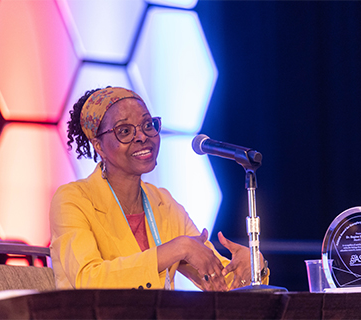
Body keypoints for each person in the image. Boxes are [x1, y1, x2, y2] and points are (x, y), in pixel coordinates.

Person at [49, 87, 269, 291]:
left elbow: (221, 283)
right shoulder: (73, 200)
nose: (142, 136)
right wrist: (177, 249)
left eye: (148, 125)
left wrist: (252, 268)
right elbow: (89, 281)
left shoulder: (163, 203)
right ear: (99, 146)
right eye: (124, 131)